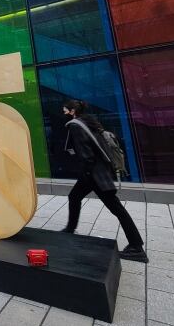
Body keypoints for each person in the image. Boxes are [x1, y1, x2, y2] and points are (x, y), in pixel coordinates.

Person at [61, 100, 148, 263]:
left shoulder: (75, 126)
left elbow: (86, 154)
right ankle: (70, 229)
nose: (64, 113)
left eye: (65, 110)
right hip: (100, 171)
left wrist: (86, 172)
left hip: (94, 175)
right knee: (74, 197)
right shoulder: (89, 122)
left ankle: (137, 247)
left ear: (72, 111)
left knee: (116, 208)